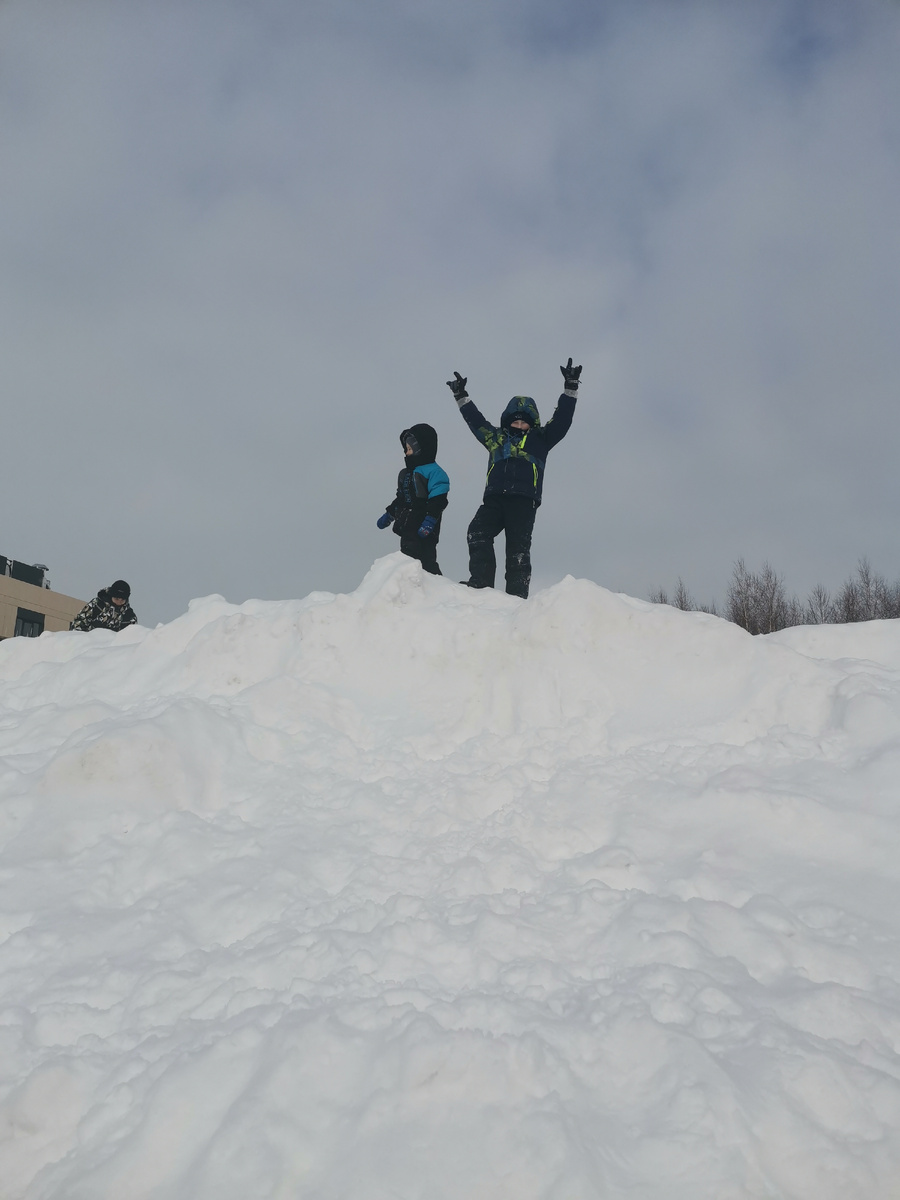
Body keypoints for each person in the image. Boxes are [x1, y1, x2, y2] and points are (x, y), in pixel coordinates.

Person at [447, 358, 581, 599]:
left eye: (524, 421)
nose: (520, 425)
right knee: (477, 531)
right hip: (495, 498)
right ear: (507, 421)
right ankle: (481, 583)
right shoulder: (496, 438)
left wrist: (570, 388)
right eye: (515, 421)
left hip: (523, 500)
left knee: (517, 551)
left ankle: (516, 599)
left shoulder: (541, 439)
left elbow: (562, 421)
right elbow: (476, 422)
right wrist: (461, 396)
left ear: (532, 423)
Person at [376, 423, 449, 575]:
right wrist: (390, 514)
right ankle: (410, 582)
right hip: (408, 523)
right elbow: (401, 499)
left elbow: (438, 500)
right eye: (406, 449)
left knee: (426, 557)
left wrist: (430, 520)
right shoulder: (406, 474)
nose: (407, 453)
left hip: (425, 523)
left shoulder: (434, 472)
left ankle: (437, 584)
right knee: (408, 554)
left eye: (410, 449)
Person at [71, 580, 138, 632]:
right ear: (111, 595)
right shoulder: (97, 605)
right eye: (116, 599)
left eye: (122, 600)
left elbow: (133, 637)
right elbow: (79, 622)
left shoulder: (129, 616)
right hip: (89, 644)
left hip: (113, 648)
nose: (119, 602)